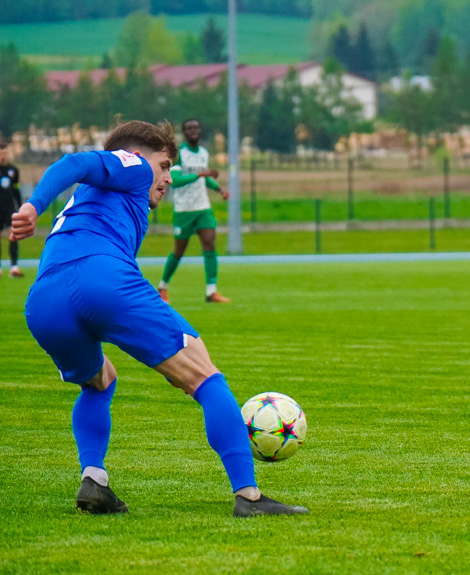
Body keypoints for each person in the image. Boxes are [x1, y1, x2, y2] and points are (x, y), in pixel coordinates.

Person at [10, 120, 307, 517]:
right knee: (205, 376)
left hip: (45, 299)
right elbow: (73, 161)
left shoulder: (94, 194)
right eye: (165, 165)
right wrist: (31, 205)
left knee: (99, 382)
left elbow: (81, 172)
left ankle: (94, 480)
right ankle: (249, 496)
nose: (167, 177)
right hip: (101, 278)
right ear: (137, 154)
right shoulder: (132, 164)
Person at [157, 118, 230, 304]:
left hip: (202, 207)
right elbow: (176, 180)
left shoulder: (203, 153)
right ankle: (162, 286)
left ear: (200, 130)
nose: (193, 130)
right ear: (184, 132)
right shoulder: (181, 153)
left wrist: (218, 188)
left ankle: (211, 291)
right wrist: (200, 174)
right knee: (179, 251)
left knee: (210, 242)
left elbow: (204, 179)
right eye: (189, 128)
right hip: (184, 209)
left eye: (196, 127)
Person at [0, 143, 24, 278]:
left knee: (13, 235)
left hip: (9, 207)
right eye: (1, 154)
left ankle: (14, 267)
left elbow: (16, 190)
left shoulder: (13, 170)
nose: (3, 156)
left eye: (5, 154)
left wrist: (20, 207)